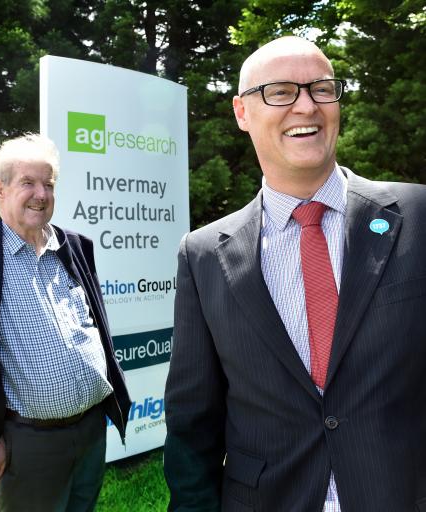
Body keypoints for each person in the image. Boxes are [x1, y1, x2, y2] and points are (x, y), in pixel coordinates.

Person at [164, 36, 426, 511]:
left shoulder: (418, 216)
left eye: (322, 89)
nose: (306, 106)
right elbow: (192, 425)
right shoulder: (203, 256)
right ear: (242, 113)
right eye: (280, 92)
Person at [0, 133, 131, 511]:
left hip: (91, 431)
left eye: (48, 183)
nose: (41, 194)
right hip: (28, 443)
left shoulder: (75, 246)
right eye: (28, 182)